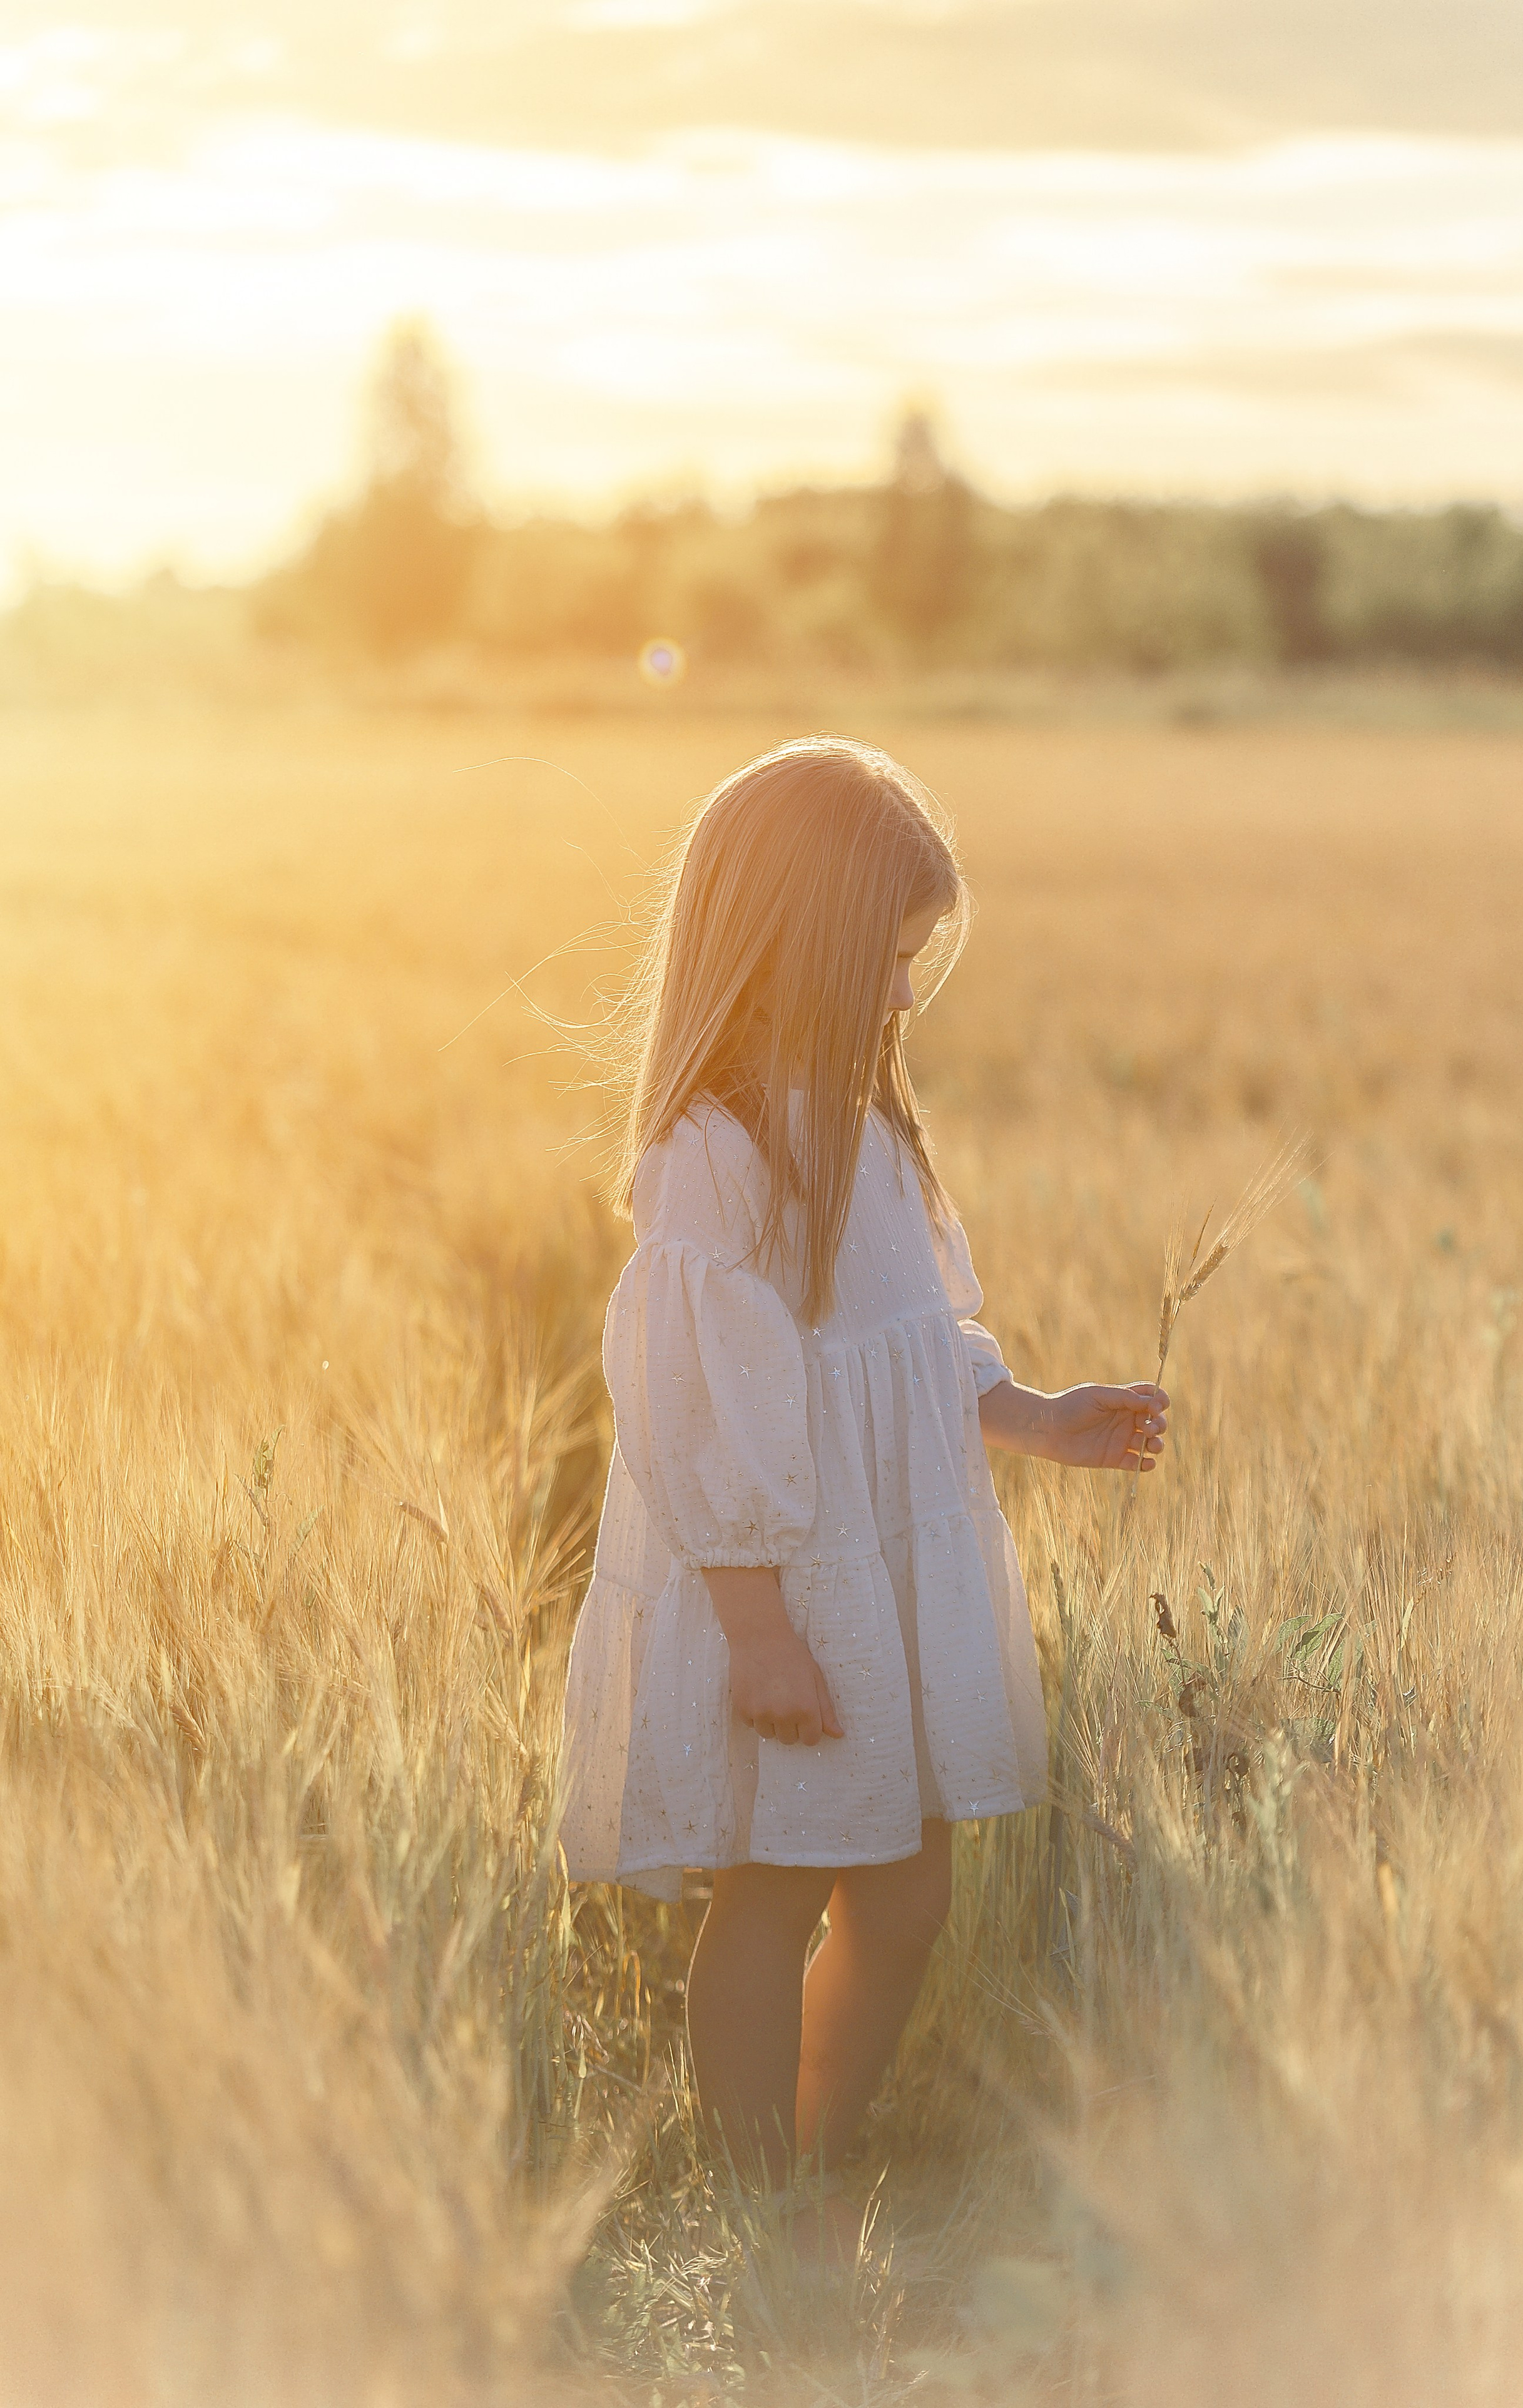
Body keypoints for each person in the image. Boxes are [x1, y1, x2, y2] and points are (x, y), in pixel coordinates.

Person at [560, 736, 1167, 2212]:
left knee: (904, 1897)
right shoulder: (712, 1155)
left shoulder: (870, 1125)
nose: (904, 997)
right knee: (773, 1890)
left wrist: (1030, 1413)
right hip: (786, 1590)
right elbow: (695, 1414)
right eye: (887, 960)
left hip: (887, 1577)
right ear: (796, 946)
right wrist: (759, 1628)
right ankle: (761, 2190)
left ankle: (815, 2149)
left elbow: (907, 1348)